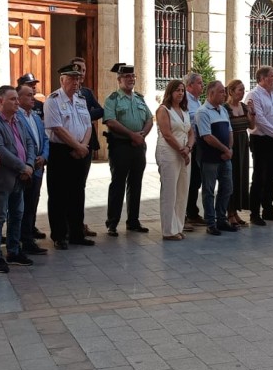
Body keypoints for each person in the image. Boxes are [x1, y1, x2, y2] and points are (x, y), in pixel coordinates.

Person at [0, 86, 36, 273]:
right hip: (2, 178)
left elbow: (29, 142)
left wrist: (29, 164)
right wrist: (23, 167)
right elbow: (1, 151)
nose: (17, 102)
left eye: (17, 99)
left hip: (20, 178)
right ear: (1, 101)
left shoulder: (18, 119)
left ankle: (13, 251)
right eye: (13, 99)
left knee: (17, 215)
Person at [44, 64, 94, 249]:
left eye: (78, 78)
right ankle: (59, 235)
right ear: (62, 80)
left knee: (77, 193)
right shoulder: (53, 100)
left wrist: (83, 146)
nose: (76, 82)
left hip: (80, 150)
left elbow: (88, 125)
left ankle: (76, 233)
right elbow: (57, 128)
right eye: (72, 79)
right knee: (58, 194)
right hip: (61, 151)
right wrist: (77, 146)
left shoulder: (81, 100)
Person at [103, 63, 153, 236]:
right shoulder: (113, 99)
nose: (131, 79)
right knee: (118, 184)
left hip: (138, 146)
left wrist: (142, 136)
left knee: (136, 183)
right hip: (121, 146)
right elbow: (110, 120)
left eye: (133, 77)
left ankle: (133, 221)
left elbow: (149, 118)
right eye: (127, 77)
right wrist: (132, 135)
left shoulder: (139, 98)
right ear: (119, 80)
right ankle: (112, 223)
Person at [245, 65, 273, 225]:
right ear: (262, 78)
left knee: (272, 175)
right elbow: (260, 119)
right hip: (262, 140)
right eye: (271, 76)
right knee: (259, 176)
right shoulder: (254, 95)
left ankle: (268, 209)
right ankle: (254, 213)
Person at [196, 81, 235, 236]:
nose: (224, 94)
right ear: (211, 93)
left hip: (225, 157)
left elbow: (229, 131)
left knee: (227, 188)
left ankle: (221, 219)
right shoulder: (203, 112)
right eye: (221, 92)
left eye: (224, 92)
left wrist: (229, 149)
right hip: (210, 158)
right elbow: (207, 136)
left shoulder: (223, 110)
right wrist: (225, 149)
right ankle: (211, 222)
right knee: (209, 190)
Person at [156, 80, 194, 240]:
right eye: (177, 90)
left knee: (182, 191)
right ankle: (168, 230)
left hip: (185, 152)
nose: (180, 93)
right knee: (170, 191)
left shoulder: (184, 110)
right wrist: (182, 150)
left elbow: (191, 132)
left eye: (182, 90)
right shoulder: (164, 110)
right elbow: (167, 134)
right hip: (170, 152)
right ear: (170, 92)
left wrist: (188, 148)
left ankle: (178, 226)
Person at [71, 56, 103, 238]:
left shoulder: (87, 93)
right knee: (70, 186)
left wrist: (84, 115)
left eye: (83, 70)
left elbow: (100, 110)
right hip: (70, 146)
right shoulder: (62, 94)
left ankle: (79, 223)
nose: (81, 74)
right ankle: (69, 224)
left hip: (87, 144)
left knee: (81, 186)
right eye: (77, 70)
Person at [17, 83, 49, 254]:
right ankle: (20, 240)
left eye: (33, 95)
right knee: (19, 206)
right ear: (19, 98)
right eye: (29, 95)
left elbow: (45, 138)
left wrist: (44, 156)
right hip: (23, 169)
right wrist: (29, 162)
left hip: (38, 167)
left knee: (32, 205)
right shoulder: (16, 117)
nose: (33, 98)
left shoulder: (36, 117)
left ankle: (28, 238)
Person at [225, 79, 254, 228]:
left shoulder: (243, 106)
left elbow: (252, 126)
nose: (242, 93)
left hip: (243, 144)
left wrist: (252, 113)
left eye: (243, 90)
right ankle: (229, 212)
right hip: (232, 144)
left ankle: (235, 211)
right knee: (231, 178)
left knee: (241, 178)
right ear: (231, 91)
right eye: (239, 90)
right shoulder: (225, 108)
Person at [183, 72, 206, 227]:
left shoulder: (197, 101)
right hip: (186, 145)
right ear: (189, 85)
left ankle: (192, 212)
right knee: (185, 181)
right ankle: (183, 215)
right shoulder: (184, 100)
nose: (202, 85)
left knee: (195, 181)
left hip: (197, 145)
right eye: (199, 83)